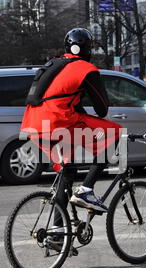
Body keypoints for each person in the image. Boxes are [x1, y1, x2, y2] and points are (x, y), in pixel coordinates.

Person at [21, 28, 122, 213]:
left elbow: (64, 100)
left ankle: (57, 232)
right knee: (115, 133)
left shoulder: (54, 64)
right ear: (87, 49)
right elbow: (102, 109)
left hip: (33, 125)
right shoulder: (86, 69)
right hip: (57, 122)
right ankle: (86, 190)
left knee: (66, 171)